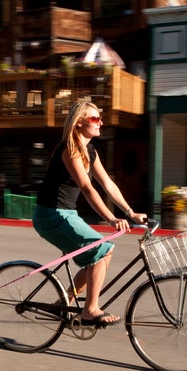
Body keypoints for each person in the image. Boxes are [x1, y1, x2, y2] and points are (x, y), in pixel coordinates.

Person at [32, 100, 147, 327]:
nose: (100, 122)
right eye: (95, 118)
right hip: (51, 215)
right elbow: (87, 188)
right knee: (102, 250)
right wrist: (112, 219)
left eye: (99, 118)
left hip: (67, 214)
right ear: (79, 123)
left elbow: (107, 184)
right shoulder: (69, 150)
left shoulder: (90, 150)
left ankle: (64, 301)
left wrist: (130, 212)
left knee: (104, 253)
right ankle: (90, 310)